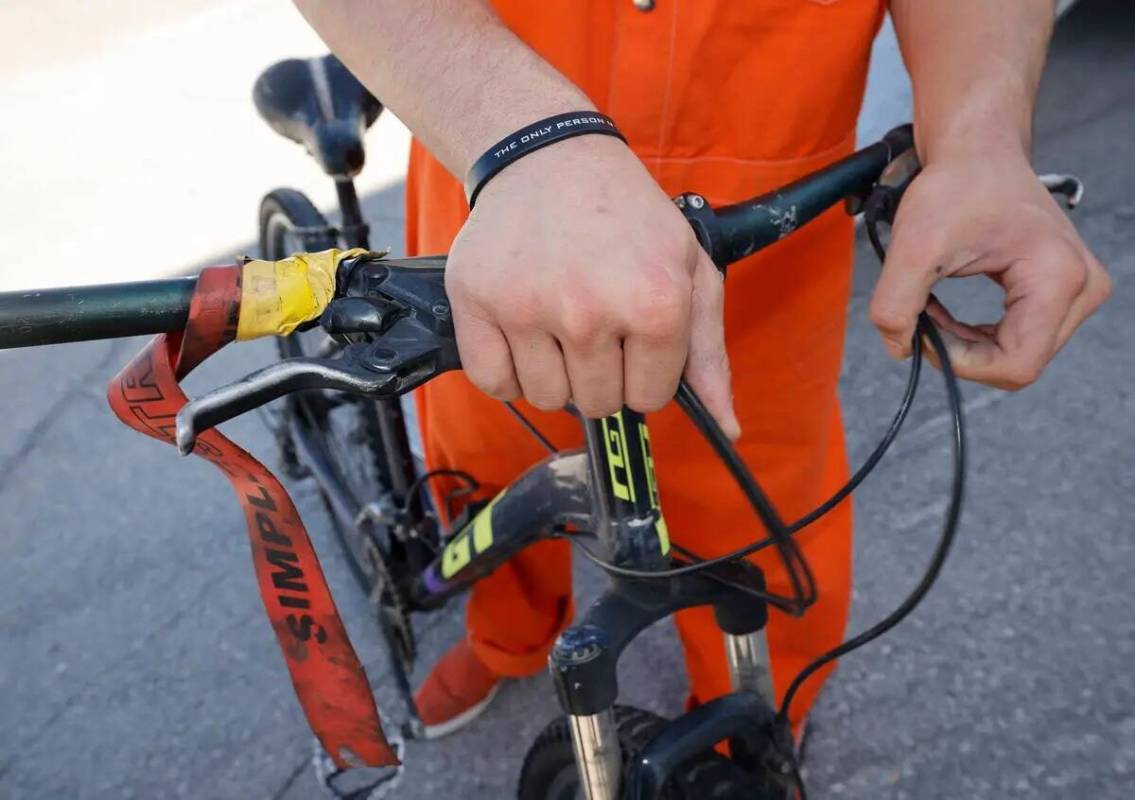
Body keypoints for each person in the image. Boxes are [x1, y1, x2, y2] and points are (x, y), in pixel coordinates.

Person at [294, 0, 1109, 740]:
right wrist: (524, 136)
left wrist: (979, 140)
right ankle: (504, 638)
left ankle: (752, 721)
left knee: (764, 506)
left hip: (760, 230)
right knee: (489, 464)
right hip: (498, 184)